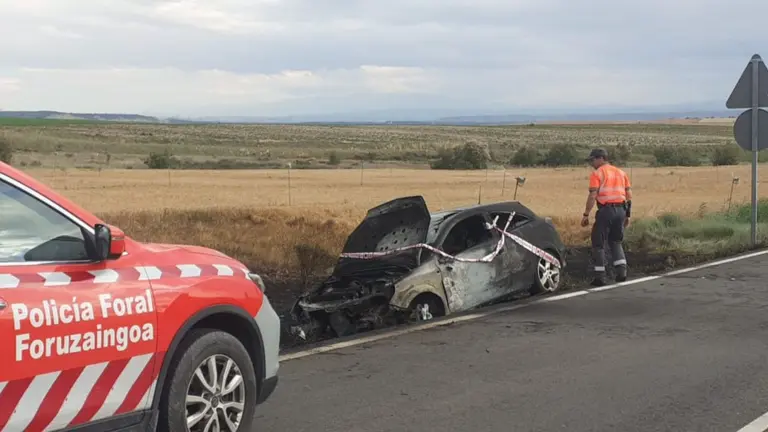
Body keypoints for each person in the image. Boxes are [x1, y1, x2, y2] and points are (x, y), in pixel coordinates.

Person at [580, 148, 632, 286]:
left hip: (606, 210)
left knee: (598, 242)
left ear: (601, 158)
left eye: (593, 160)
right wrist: (628, 214)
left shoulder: (597, 174)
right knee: (616, 241)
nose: (591, 163)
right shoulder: (621, 173)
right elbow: (628, 195)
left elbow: (593, 195)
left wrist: (586, 214)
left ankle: (600, 277)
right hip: (621, 209)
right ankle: (621, 272)